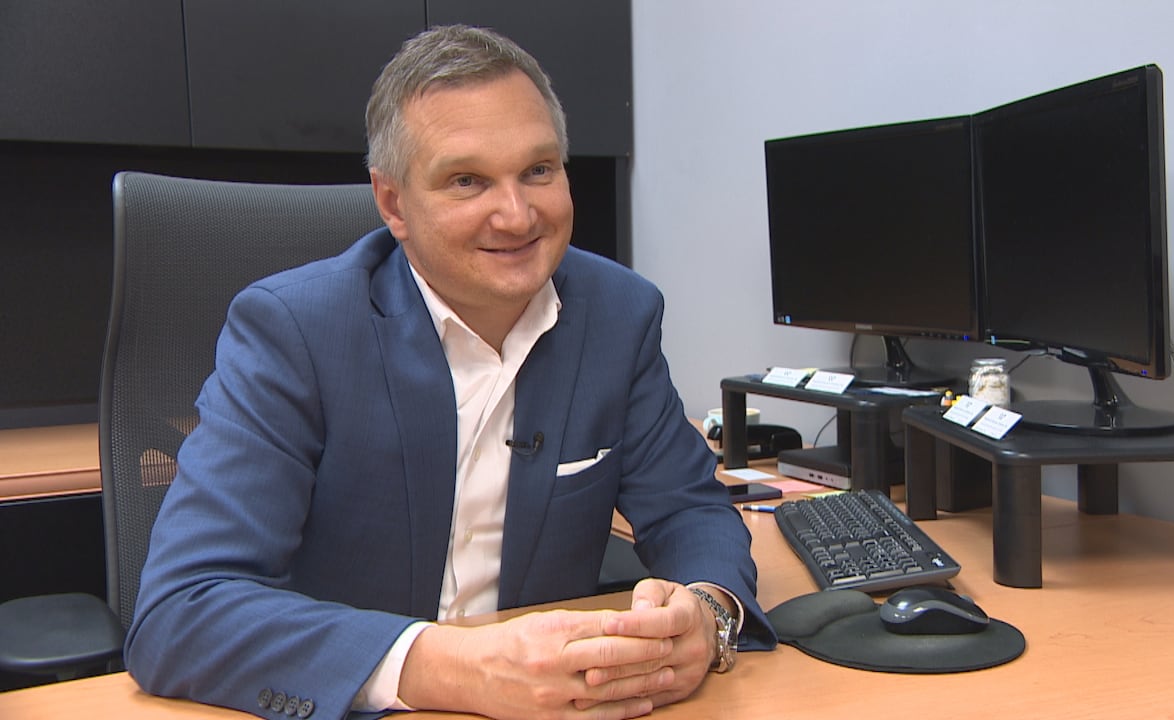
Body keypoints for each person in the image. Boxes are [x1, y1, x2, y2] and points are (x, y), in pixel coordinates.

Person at [124, 24, 776, 720]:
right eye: (468, 180)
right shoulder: (294, 331)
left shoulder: (618, 314)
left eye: (539, 170)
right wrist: (451, 668)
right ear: (393, 203)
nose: (518, 215)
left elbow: (688, 509)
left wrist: (707, 614)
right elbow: (182, 611)